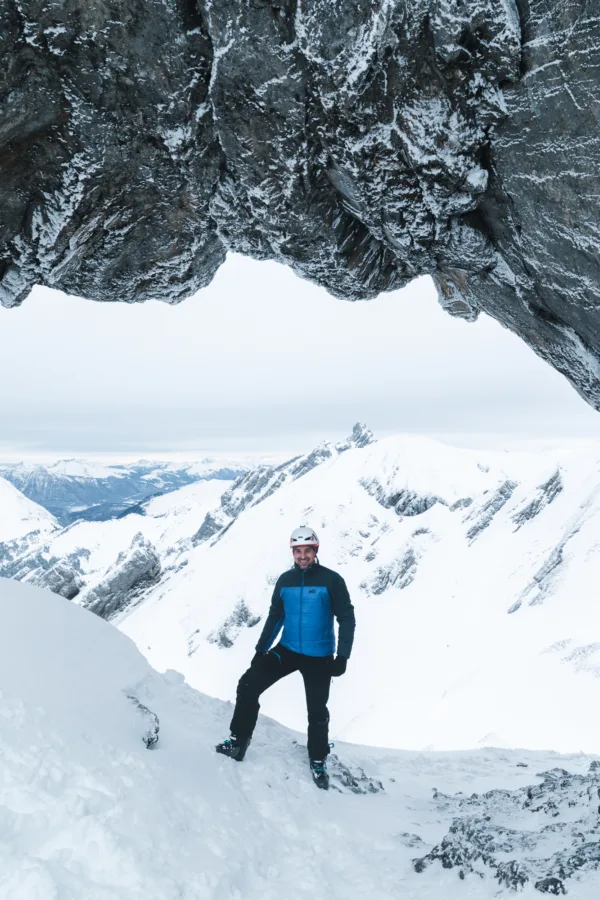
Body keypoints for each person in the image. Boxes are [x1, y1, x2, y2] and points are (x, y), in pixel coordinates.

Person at [216, 526, 355, 788]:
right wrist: (261, 650)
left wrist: (342, 656)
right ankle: (238, 742)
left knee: (316, 711)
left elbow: (346, 618)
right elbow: (276, 616)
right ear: (292, 552)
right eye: (298, 551)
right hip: (288, 649)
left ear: (316, 550)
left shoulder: (331, 580)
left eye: (307, 550)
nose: (302, 556)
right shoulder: (285, 581)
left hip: (319, 655)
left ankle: (317, 759)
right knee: (248, 685)